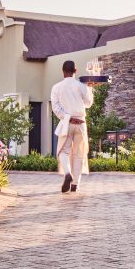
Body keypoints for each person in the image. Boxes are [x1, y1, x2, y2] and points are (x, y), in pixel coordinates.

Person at [51, 60, 94, 193]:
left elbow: (56, 108)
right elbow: (88, 103)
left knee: (62, 151)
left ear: (63, 71)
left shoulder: (56, 87)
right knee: (79, 154)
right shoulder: (81, 86)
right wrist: (90, 88)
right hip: (81, 123)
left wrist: (66, 117)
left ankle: (67, 173)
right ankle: (75, 184)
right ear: (75, 71)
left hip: (67, 123)